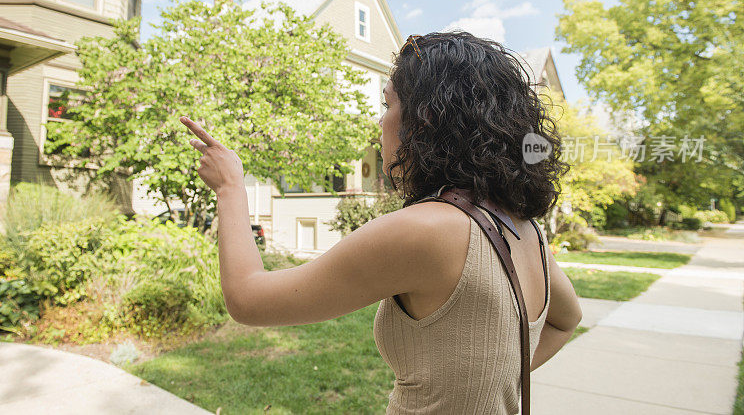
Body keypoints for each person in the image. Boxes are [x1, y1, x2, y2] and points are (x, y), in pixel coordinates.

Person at [179, 30, 582, 414]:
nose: (380, 122)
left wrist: (231, 186)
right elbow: (566, 321)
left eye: (387, 105)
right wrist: (484, 383)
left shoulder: (426, 230)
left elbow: (248, 299)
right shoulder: (523, 230)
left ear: (425, 121)